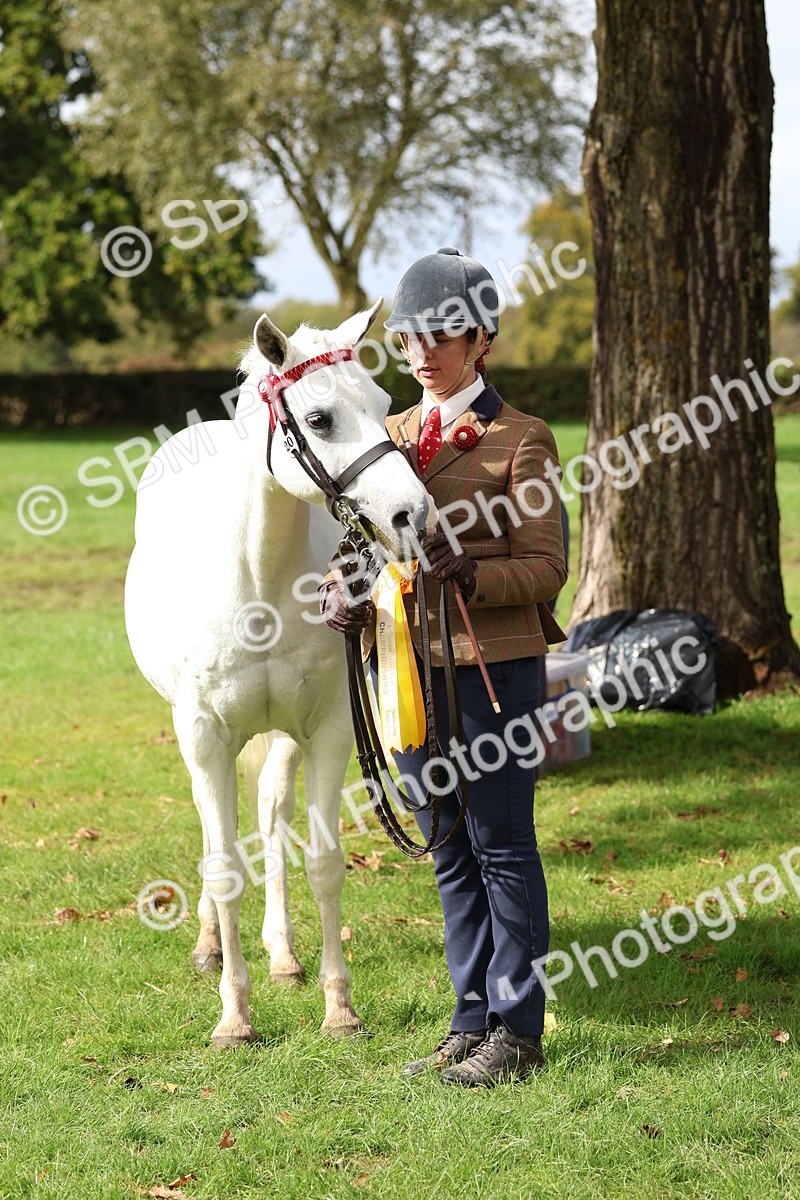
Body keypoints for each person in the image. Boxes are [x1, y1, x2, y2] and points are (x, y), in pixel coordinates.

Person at [319, 247, 567, 1086]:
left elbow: (545, 570)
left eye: (443, 335)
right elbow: (354, 550)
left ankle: (519, 1032)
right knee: (450, 851)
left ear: (482, 340)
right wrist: (339, 595)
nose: (423, 352)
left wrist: (473, 573)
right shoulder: (384, 440)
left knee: (502, 846)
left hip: (493, 674)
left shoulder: (520, 440)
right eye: (410, 339)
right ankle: (470, 1020)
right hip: (407, 677)